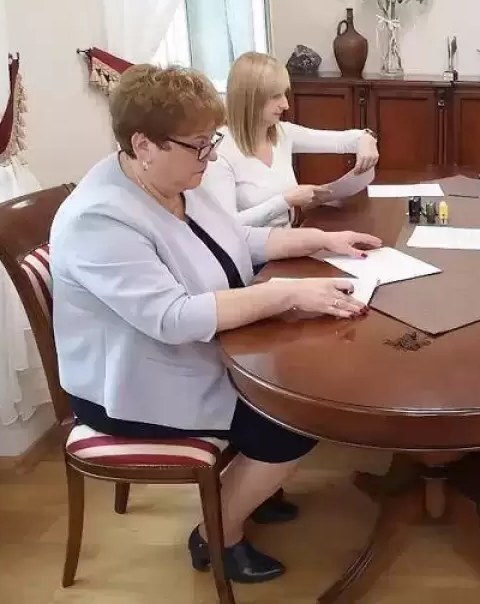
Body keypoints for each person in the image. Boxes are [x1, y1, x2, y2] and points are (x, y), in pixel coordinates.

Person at [50, 64, 382, 583]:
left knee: (294, 379)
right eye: (199, 145)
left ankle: (252, 489)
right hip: (134, 382)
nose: (210, 155)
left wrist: (322, 241)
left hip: (193, 351)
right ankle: (216, 534)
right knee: (293, 416)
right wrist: (284, 293)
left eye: (212, 142)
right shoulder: (100, 218)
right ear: (144, 144)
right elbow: (173, 318)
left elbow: (238, 240)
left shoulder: (181, 176)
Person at [202, 51, 380, 228]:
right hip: (253, 246)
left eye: (284, 94)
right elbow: (226, 227)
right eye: (275, 97)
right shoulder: (218, 152)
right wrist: (286, 200)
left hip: (288, 239)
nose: (285, 105)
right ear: (250, 99)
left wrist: (366, 139)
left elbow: (342, 140)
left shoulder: (282, 133)